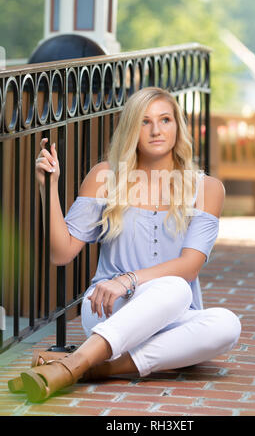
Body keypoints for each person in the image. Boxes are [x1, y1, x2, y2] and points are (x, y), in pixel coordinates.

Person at [8, 87, 241, 403]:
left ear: (178, 126)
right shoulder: (105, 176)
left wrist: (127, 280)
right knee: (175, 287)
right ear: (132, 128)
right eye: (145, 122)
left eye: (165, 120)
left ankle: (84, 366)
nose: (156, 130)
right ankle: (86, 363)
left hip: (172, 312)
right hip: (108, 307)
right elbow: (62, 253)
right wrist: (48, 189)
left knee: (226, 324)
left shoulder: (207, 188)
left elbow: (190, 266)